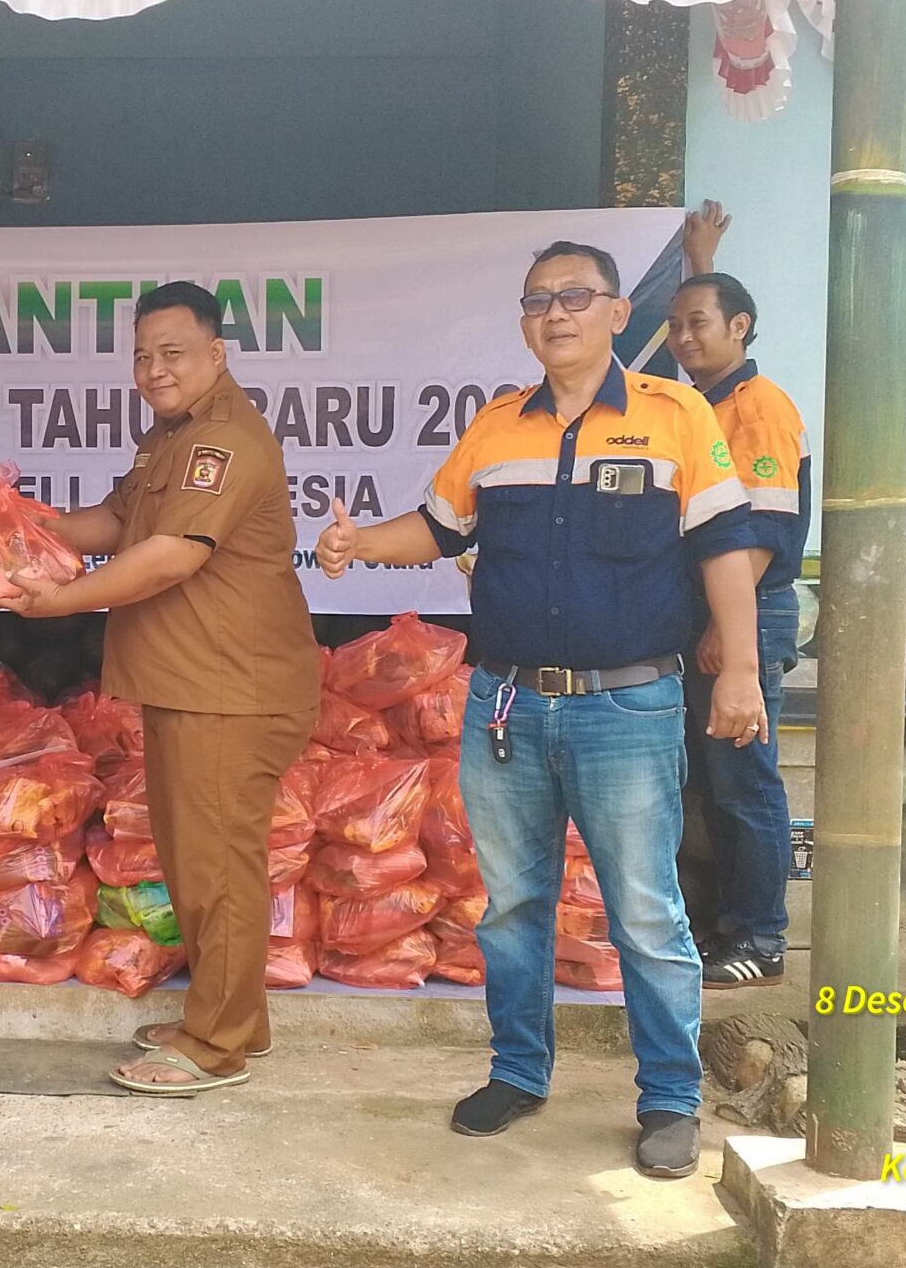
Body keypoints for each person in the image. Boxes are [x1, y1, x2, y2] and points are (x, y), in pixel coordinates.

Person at [315, 241, 768, 1179]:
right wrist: (359, 546)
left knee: (645, 912)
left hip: (628, 706)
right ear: (524, 323)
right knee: (512, 906)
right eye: (537, 301)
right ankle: (518, 1072)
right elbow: (438, 528)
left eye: (575, 296)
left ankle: (669, 1098)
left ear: (616, 313)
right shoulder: (497, 428)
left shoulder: (674, 415)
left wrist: (742, 671)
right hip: (508, 707)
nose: (556, 313)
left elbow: (727, 545)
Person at [5, 281, 321, 1095]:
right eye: (143, 355)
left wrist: (59, 599)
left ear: (217, 354)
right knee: (197, 863)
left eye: (172, 353)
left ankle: (215, 1047)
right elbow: (119, 522)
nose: (154, 370)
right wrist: (29, 525)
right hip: (193, 684)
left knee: (218, 868)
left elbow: (174, 554)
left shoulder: (226, 441)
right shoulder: (170, 437)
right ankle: (235, 1020)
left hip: (231, 687)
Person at [666, 205, 809, 990]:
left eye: (699, 324)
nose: (684, 337)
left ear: (741, 328)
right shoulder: (704, 404)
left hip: (746, 610)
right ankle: (715, 927)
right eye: (676, 326)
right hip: (706, 616)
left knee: (744, 782)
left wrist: (731, 631)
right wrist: (702, 261)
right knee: (706, 783)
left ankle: (759, 937)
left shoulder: (760, 407)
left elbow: (761, 531)